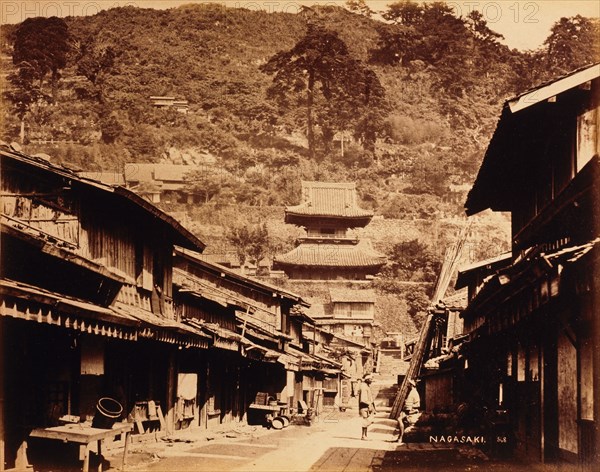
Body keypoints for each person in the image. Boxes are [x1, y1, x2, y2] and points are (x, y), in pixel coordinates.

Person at [397, 379, 421, 444]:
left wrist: (403, 411)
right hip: (412, 409)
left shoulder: (412, 393)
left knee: (399, 419)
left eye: (409, 384)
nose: (408, 385)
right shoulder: (414, 392)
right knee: (402, 418)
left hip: (412, 410)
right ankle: (400, 436)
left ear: (412, 385)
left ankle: (400, 437)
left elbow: (408, 406)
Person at [358, 374, 377, 440]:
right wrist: (369, 404)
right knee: (366, 421)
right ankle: (363, 436)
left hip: (367, 407)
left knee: (367, 421)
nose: (371, 381)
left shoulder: (366, 386)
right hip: (364, 407)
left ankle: (365, 435)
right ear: (367, 380)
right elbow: (363, 399)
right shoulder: (363, 387)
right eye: (370, 379)